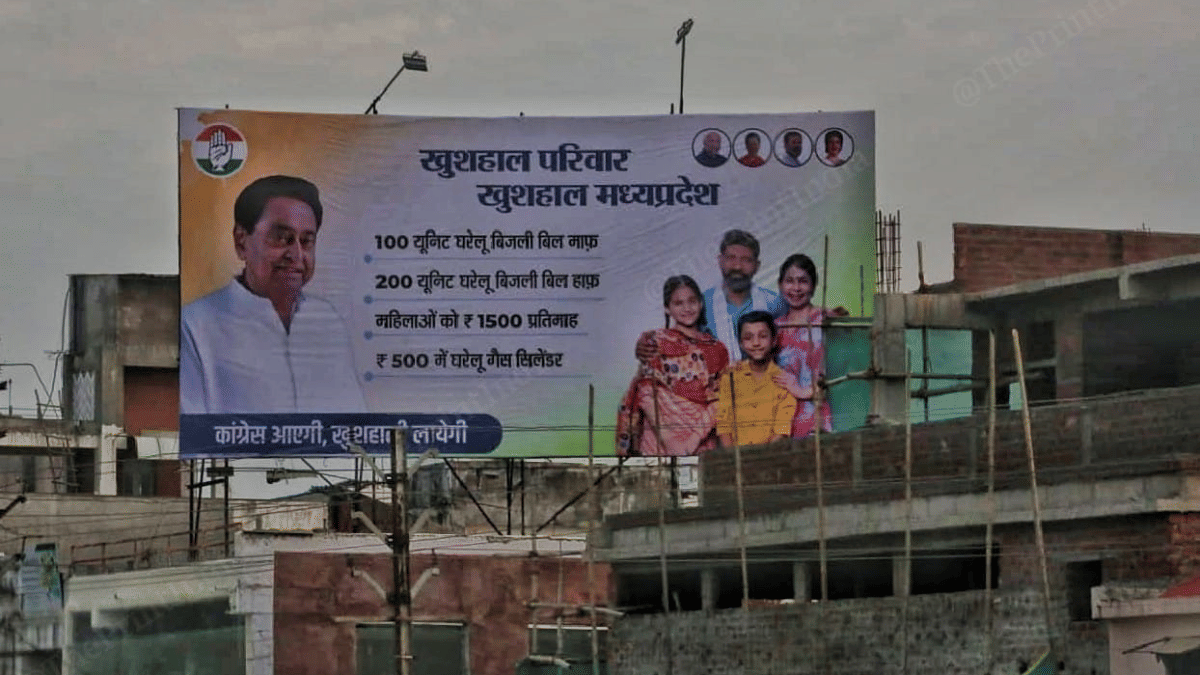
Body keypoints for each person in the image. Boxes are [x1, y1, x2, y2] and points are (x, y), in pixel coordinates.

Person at [180, 175, 365, 414]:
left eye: (307, 241)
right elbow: (196, 436)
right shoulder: (197, 325)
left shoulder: (327, 321)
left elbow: (356, 421)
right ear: (241, 242)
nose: (296, 255)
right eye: (281, 238)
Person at [616, 276, 730, 456]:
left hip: (701, 440)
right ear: (667, 309)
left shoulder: (717, 348)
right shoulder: (654, 341)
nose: (687, 308)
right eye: (678, 303)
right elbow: (646, 392)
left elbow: (721, 398)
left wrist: (692, 440)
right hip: (659, 440)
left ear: (701, 304)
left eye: (692, 301)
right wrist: (671, 442)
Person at [636, 229, 780, 363]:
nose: (737, 267)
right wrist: (647, 345)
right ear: (720, 261)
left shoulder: (774, 302)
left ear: (757, 266)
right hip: (714, 385)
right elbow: (678, 337)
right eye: (731, 258)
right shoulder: (701, 303)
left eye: (746, 260)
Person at [772, 253, 838, 437]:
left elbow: (841, 370)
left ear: (814, 286)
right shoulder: (775, 328)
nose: (796, 288)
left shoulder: (826, 319)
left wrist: (801, 391)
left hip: (817, 414)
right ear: (780, 285)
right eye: (789, 281)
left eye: (803, 281)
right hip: (783, 418)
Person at [716, 311, 796, 447]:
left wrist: (760, 460)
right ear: (740, 343)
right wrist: (732, 459)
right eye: (748, 338)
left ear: (774, 340)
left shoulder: (785, 381)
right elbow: (723, 426)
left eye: (763, 336)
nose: (756, 343)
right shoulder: (730, 377)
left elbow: (781, 432)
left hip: (769, 457)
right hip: (734, 458)